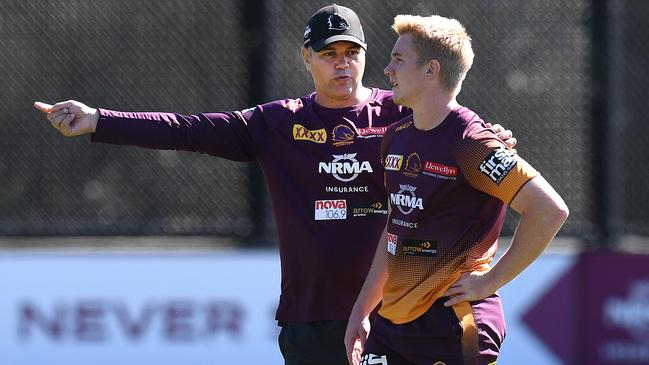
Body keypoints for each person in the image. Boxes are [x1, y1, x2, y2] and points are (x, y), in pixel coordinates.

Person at [34, 5, 516, 365]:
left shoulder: (404, 112)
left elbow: (464, 138)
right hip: (309, 317)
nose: (342, 63)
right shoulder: (278, 123)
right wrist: (99, 120)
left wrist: (498, 141)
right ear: (306, 58)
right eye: (329, 54)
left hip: (392, 315)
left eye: (352, 52)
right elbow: (187, 128)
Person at [343, 14, 569, 365]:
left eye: (399, 60)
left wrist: (489, 282)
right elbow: (395, 228)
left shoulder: (473, 141)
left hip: (453, 319)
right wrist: (362, 309)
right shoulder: (395, 139)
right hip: (392, 324)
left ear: (431, 70)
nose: (387, 70)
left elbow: (550, 210)